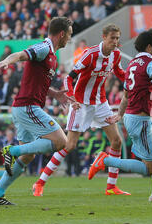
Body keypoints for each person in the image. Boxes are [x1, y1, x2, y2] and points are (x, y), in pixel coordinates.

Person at [32, 24, 130, 197]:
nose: (115, 42)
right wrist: (72, 98)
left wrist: (132, 81)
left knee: (116, 141)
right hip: (81, 103)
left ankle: (111, 187)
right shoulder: (90, 54)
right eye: (112, 38)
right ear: (104, 37)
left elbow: (120, 73)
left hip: (100, 103)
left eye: (117, 38)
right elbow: (68, 79)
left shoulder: (115, 55)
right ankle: (39, 182)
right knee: (69, 145)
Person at [0, 17, 75, 205]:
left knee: (28, 156)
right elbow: (20, 54)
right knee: (61, 141)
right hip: (27, 107)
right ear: (62, 34)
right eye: (69, 34)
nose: (69, 37)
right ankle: (12, 151)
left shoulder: (52, 55)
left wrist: (55, 94)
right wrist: (6, 61)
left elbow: (38, 82)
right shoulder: (44, 48)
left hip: (23, 107)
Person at [88, 29, 152, 200]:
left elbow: (126, 94)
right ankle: (105, 161)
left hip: (137, 117)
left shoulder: (133, 63)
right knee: (150, 169)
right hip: (140, 120)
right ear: (149, 46)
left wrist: (120, 114)